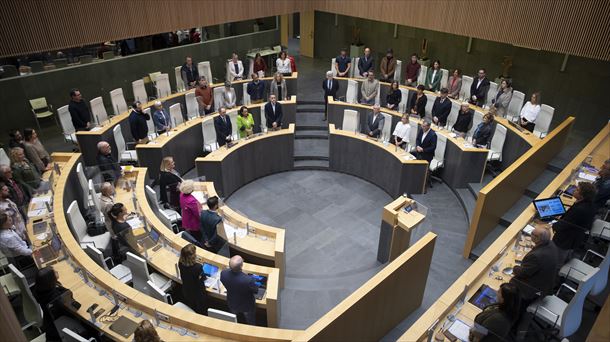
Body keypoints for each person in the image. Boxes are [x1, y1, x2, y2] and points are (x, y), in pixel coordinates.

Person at [510, 227, 559, 303]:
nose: (530, 234)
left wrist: (514, 268)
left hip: (534, 289)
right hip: (545, 283)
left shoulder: (536, 256)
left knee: (507, 285)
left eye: (532, 233)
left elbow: (523, 273)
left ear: (537, 238)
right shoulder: (551, 244)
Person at [552, 182, 597, 261]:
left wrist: (552, 225)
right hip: (576, 238)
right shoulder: (590, 204)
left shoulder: (580, 209)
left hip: (565, 240)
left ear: (582, 195)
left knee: (557, 260)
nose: (574, 190)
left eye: (577, 190)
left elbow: (564, 225)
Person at [220, 255, 258, 325]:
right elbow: (256, 291)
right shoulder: (248, 279)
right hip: (247, 306)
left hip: (232, 302)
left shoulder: (223, 273)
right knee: (250, 320)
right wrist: (245, 275)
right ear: (241, 266)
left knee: (234, 318)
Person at [33, 267, 69, 341]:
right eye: (55, 272)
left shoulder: (38, 291)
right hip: (60, 331)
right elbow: (72, 308)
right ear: (50, 279)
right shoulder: (57, 298)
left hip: (49, 326)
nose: (57, 272)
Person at [178, 244, 208, 314]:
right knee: (201, 310)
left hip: (187, 291)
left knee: (192, 306)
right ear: (193, 256)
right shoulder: (198, 267)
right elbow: (202, 279)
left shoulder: (180, 263)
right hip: (198, 294)